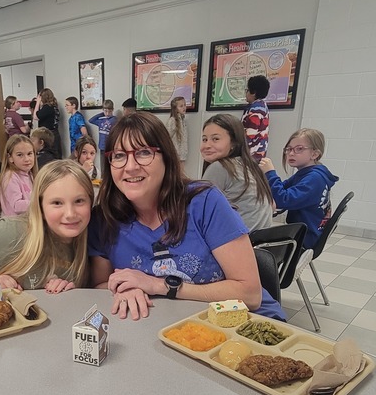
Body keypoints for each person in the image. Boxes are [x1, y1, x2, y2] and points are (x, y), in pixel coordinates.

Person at [89, 111, 284, 321]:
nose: (130, 166)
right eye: (118, 156)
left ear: (167, 157)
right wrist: (123, 288)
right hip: (167, 328)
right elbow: (100, 284)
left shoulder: (204, 201)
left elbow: (250, 295)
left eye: (144, 152)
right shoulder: (104, 218)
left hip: (248, 323)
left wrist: (160, 285)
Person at [0, 161, 94, 294]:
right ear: (40, 207)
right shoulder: (15, 232)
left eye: (79, 201)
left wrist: (63, 287)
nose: (70, 214)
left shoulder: (91, 239)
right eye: (57, 203)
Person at [260, 129, 338, 251]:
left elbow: (283, 200)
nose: (291, 153)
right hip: (304, 233)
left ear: (315, 154)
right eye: (289, 149)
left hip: (304, 239)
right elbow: (284, 188)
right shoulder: (307, 173)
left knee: (253, 244)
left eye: (299, 149)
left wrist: (270, 173)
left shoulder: (314, 179)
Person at [200, 114, 273, 232]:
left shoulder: (220, 168)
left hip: (237, 244)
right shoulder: (252, 167)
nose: (207, 145)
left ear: (234, 143)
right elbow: (273, 206)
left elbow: (200, 214)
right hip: (260, 244)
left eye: (215, 139)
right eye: (204, 139)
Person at [0, 134, 36, 215]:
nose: (26, 159)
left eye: (29, 154)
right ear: (10, 157)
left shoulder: (30, 174)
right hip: (15, 224)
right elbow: (17, 205)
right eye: (20, 155)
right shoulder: (10, 177)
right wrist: (41, 203)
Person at [242, 74, 270, 160]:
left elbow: (250, 134)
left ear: (253, 92)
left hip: (251, 155)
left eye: (247, 90)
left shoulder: (255, 110)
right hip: (258, 153)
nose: (246, 93)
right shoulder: (262, 106)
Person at [35, 88, 62, 158]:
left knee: (50, 155)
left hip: (48, 134)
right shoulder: (54, 107)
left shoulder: (47, 107)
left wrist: (37, 102)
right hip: (55, 132)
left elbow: (35, 116)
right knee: (56, 154)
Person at [167, 96, 188, 171]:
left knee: (182, 171)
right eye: (181, 106)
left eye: (185, 105)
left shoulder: (183, 120)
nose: (184, 107)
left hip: (182, 153)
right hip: (176, 153)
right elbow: (167, 137)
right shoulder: (172, 121)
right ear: (175, 108)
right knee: (177, 172)